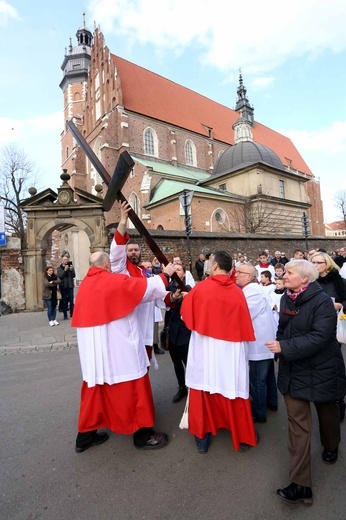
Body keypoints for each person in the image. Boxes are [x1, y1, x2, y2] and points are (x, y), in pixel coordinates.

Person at [72, 251, 176, 452]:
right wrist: (165, 275)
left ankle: (85, 437)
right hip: (119, 347)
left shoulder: (86, 284)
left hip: (95, 352)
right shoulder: (111, 280)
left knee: (95, 389)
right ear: (106, 264)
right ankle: (143, 435)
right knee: (135, 388)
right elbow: (142, 289)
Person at [265, 260, 346, 505]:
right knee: (298, 427)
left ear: (304, 279)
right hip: (293, 369)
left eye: (289, 273)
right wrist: (281, 351)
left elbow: (320, 337)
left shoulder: (323, 302)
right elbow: (283, 329)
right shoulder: (285, 298)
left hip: (322, 369)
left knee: (327, 414)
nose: (283, 275)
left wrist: (284, 347)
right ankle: (301, 485)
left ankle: (331, 446)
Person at [180, 251, 258, 454]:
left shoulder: (200, 289)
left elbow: (185, 318)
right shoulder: (237, 291)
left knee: (203, 387)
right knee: (231, 389)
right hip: (230, 352)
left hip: (205, 349)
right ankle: (241, 435)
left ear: (214, 267)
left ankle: (202, 437)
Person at [110, 202, 166, 366]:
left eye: (136, 250)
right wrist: (122, 222)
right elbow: (115, 253)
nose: (133, 252)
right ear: (125, 253)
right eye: (130, 250)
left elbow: (154, 293)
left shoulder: (145, 271)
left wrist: (170, 296)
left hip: (146, 327)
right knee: (134, 368)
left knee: (145, 367)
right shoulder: (121, 269)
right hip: (131, 328)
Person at [235, 264, 278, 423]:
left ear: (250, 276)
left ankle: (259, 413)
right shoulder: (254, 289)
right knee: (267, 377)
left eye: (240, 272)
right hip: (264, 341)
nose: (236, 274)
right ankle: (272, 403)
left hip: (258, 344)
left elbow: (244, 316)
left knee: (257, 380)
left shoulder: (251, 291)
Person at [310, 251, 346, 421]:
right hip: (313, 328)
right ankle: (322, 396)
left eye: (318, 262)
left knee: (332, 365)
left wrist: (340, 305)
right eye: (313, 262)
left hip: (333, 329)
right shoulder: (310, 282)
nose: (315, 265)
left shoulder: (338, 281)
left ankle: (338, 400)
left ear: (327, 264)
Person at [165, 264, 192, 403]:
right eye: (173, 269)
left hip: (185, 331)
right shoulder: (166, 288)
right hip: (171, 330)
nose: (175, 272)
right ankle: (181, 387)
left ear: (184, 274)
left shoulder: (188, 289)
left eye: (178, 270)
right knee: (176, 362)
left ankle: (193, 388)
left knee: (188, 361)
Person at [57, 255, 76, 320]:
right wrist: (65, 271)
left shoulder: (71, 267)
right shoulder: (59, 268)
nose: (66, 261)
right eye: (65, 260)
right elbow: (60, 276)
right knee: (64, 301)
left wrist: (71, 270)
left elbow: (74, 276)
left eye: (67, 259)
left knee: (71, 300)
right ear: (62, 260)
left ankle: (72, 314)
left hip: (70, 286)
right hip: (63, 287)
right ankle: (65, 315)